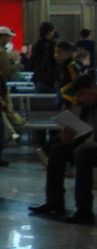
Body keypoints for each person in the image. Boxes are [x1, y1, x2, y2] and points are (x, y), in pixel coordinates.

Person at [30, 74, 97, 224]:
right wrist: (70, 137)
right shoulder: (88, 107)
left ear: (93, 87)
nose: (81, 99)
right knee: (58, 149)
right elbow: (85, 133)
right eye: (79, 96)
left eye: (83, 94)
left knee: (83, 152)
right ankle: (54, 201)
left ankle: (84, 210)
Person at [30, 22, 57, 93]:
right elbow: (52, 60)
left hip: (37, 76)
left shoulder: (36, 44)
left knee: (39, 100)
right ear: (49, 32)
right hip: (48, 78)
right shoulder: (50, 45)